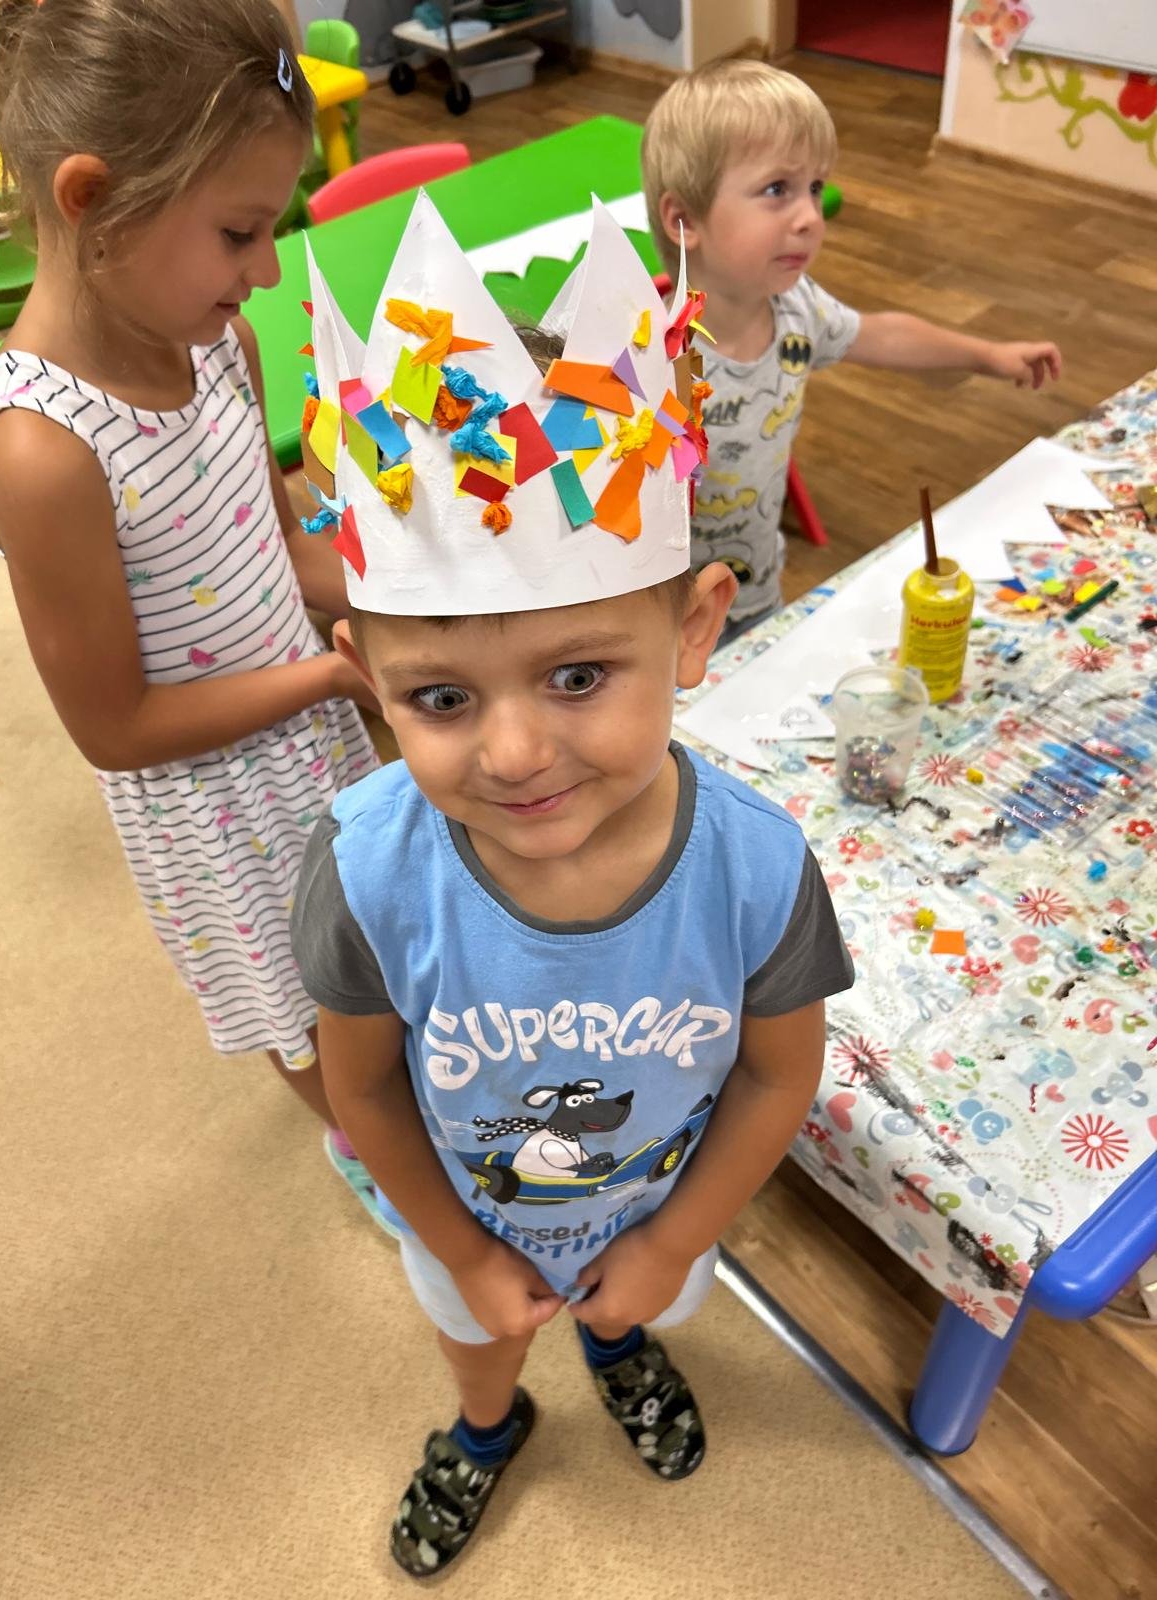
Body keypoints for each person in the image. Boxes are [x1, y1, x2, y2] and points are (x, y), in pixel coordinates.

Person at [289, 192, 855, 1577]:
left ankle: (617, 1343)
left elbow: (779, 1073)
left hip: (661, 1212)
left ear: (696, 627)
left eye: (581, 674)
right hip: (461, 1220)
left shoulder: (756, 869)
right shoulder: (365, 875)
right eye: (439, 697)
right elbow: (366, 1092)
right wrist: (469, 1254)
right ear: (366, 673)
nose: (515, 754)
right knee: (478, 1339)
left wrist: (669, 1246)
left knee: (622, 1303)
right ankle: (486, 1425)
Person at [0, 0, 385, 1219]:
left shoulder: (219, 344)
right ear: (93, 201)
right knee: (300, 1008)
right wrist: (331, 674)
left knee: (369, 952)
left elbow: (280, 548)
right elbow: (117, 726)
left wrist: (403, 594)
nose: (268, 271)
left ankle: (390, 1097)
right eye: (241, 232)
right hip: (216, 808)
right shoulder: (40, 449)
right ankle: (365, 1145)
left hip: (312, 728)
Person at [641, 57, 1063, 630]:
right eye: (777, 189)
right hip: (662, 623)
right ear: (684, 221)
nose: (810, 217)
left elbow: (882, 333)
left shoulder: (799, 309)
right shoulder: (647, 357)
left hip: (756, 594)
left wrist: (987, 355)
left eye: (814, 188)